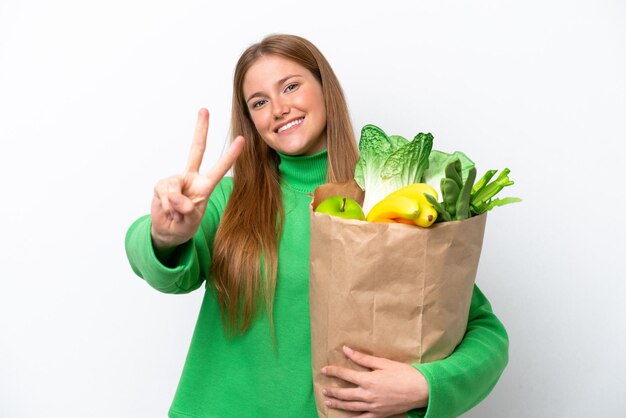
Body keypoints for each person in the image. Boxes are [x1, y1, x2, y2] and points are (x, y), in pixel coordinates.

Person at [125, 34, 509, 418]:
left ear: (325, 88)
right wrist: (166, 234)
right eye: (259, 102)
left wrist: (425, 385)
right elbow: (154, 263)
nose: (278, 108)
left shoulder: (390, 203)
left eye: (290, 86)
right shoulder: (229, 202)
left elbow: (482, 331)